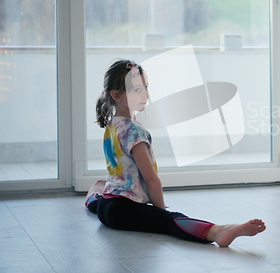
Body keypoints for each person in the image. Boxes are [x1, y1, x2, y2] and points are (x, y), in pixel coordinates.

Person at [85, 59, 266, 247]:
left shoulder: (112, 124)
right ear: (117, 95)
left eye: (145, 87)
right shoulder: (133, 132)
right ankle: (218, 232)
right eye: (137, 90)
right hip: (123, 209)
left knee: (98, 204)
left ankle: (94, 194)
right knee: (170, 221)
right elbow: (151, 180)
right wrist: (162, 213)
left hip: (107, 206)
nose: (145, 94)